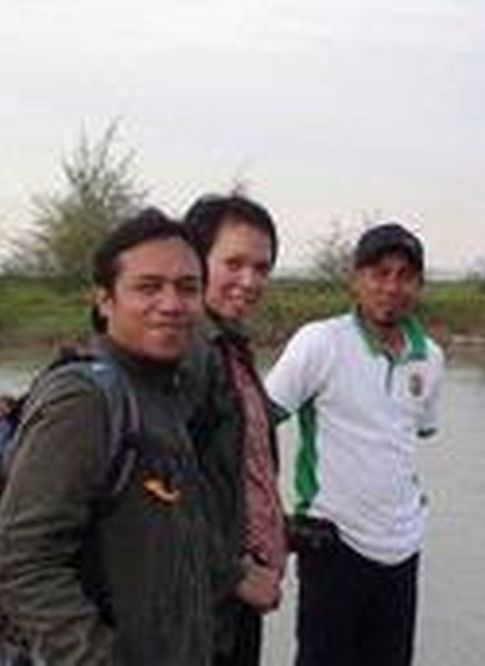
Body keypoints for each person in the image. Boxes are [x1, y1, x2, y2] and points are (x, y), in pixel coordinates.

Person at [0, 208, 215, 665]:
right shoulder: (84, 401)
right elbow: (21, 563)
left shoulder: (166, 387)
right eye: (148, 287)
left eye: (187, 287)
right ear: (105, 300)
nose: (171, 303)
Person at [265, 222, 445, 666]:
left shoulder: (431, 357)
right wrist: (267, 516)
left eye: (405, 275)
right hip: (333, 541)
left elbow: (408, 436)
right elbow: (257, 422)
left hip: (403, 543)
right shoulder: (320, 342)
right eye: (379, 272)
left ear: (419, 285)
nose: (391, 286)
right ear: (355, 278)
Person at [182, 193, 286, 666]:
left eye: (262, 268)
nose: (249, 281)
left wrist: (285, 531)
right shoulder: (185, 352)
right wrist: (237, 573)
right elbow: (153, 494)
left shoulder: (228, 347)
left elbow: (229, 470)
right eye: (234, 263)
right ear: (195, 260)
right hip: (200, 605)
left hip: (232, 601)